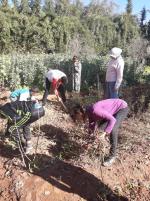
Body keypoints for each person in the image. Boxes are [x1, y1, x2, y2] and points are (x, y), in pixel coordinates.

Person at [71, 98, 129, 166]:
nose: (77, 120)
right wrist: (89, 142)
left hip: (121, 107)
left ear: (79, 113)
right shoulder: (89, 113)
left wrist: (105, 133)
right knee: (100, 129)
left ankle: (112, 156)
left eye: (76, 118)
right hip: (112, 112)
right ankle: (102, 149)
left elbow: (112, 120)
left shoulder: (95, 110)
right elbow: (92, 129)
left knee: (113, 129)